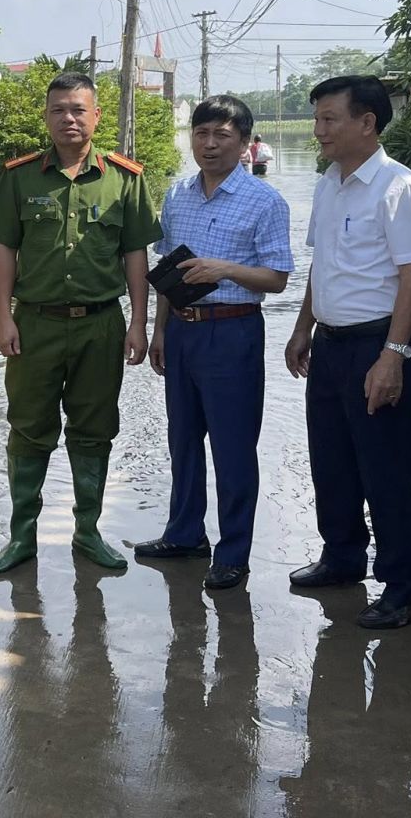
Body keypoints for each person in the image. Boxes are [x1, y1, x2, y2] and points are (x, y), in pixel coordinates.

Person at [0, 72, 159, 573]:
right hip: (34, 325)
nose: (69, 119)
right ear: (47, 116)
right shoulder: (20, 178)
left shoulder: (125, 179)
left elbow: (135, 257)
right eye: (59, 109)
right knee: (28, 430)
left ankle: (87, 532)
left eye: (79, 110)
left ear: (96, 116)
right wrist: (2, 319)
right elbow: (4, 253)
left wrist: (138, 324)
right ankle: (21, 538)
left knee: (94, 430)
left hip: (100, 326)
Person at [285, 76, 411, 629]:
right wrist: (303, 328)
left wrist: (393, 355)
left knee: (385, 467)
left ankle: (405, 585)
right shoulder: (329, 182)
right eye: (317, 119)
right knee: (332, 458)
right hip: (330, 343)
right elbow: (321, 264)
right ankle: (342, 557)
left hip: (378, 343)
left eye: (329, 119)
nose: (318, 130)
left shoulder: (400, 189)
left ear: (366, 122)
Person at [133, 95, 292, 590]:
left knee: (233, 445)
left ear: (244, 142)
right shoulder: (178, 194)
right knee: (182, 438)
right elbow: (168, 271)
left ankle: (234, 552)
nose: (209, 144)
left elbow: (278, 278)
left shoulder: (266, 201)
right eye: (201, 134)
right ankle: (184, 533)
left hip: (233, 330)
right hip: (182, 330)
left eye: (222, 135)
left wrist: (223, 269)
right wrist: (160, 330)